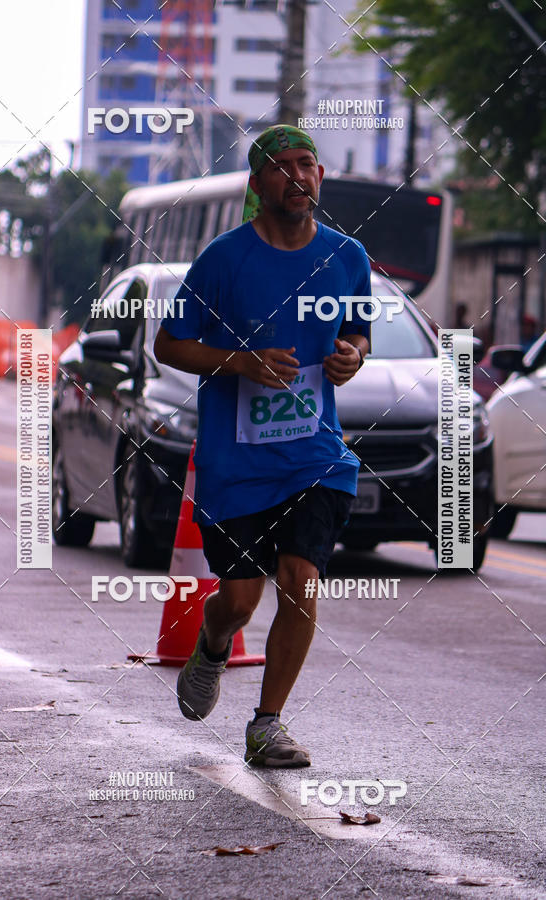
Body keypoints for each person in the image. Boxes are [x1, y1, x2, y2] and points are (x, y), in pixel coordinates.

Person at [154, 124, 371, 768]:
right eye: (282, 167)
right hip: (236, 463)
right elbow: (169, 345)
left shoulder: (347, 257)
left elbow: (357, 331)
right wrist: (240, 363)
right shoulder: (223, 260)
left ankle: (268, 724)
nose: (298, 176)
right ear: (259, 184)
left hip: (315, 455)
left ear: (320, 177)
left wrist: (350, 356)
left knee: (300, 582)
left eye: (308, 164)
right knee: (241, 598)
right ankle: (213, 644)